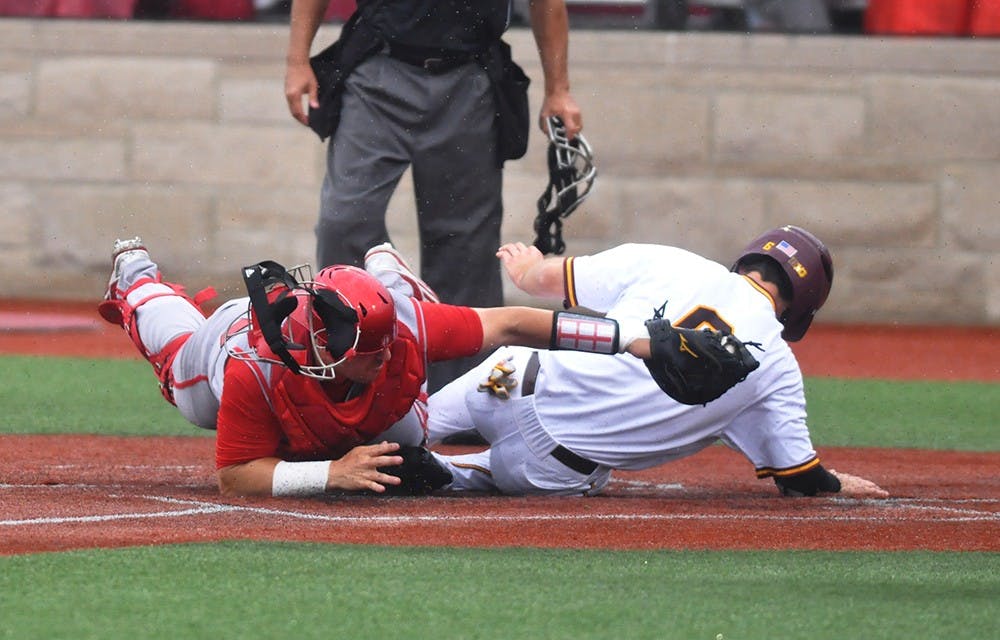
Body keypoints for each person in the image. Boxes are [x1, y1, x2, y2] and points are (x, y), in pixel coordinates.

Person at [98, 236, 640, 498]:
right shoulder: (251, 368)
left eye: (386, 347)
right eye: (369, 352)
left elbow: (515, 324)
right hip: (221, 345)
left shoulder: (403, 332)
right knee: (179, 377)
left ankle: (389, 273)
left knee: (414, 434)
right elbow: (236, 477)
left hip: (369, 379)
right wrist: (330, 473)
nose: (383, 358)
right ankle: (137, 279)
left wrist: (629, 340)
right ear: (325, 348)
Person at [428, 226, 889, 499]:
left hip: (505, 380)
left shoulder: (673, 262)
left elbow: (539, 280)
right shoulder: (776, 367)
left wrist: (528, 267)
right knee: (448, 475)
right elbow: (799, 479)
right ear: (801, 306)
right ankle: (447, 471)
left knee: (405, 423)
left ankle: (388, 435)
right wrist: (831, 485)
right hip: (548, 465)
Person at [283, 0, 583, 393]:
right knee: (345, 218)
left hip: (469, 73)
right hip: (377, 68)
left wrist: (558, 89)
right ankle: (344, 375)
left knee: (464, 245)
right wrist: (296, 60)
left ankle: (462, 397)